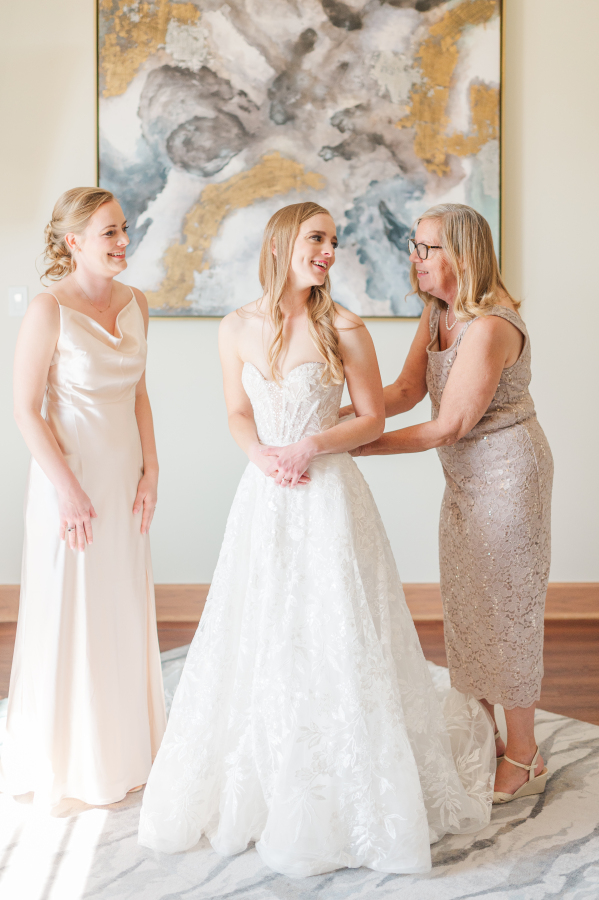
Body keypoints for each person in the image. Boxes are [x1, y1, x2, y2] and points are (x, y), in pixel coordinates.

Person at [138, 201, 495, 877]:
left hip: (327, 493)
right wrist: (261, 456)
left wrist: (308, 446)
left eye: (333, 239)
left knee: (337, 628)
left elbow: (370, 418)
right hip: (265, 494)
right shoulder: (235, 327)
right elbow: (236, 410)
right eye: (316, 238)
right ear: (280, 244)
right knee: (264, 626)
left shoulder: (346, 326)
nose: (329, 250)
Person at [344, 203, 553, 805]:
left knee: (508, 613)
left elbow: (449, 424)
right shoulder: (438, 310)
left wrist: (356, 445)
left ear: (462, 255)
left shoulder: (490, 326)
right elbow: (407, 390)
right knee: (468, 605)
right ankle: (487, 737)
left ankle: (525, 755)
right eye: (414, 245)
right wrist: (337, 418)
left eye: (426, 247)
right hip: (465, 480)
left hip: (510, 478)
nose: (414, 257)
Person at [1, 187, 166, 807]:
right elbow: (25, 410)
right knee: (72, 611)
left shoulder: (137, 303)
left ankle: (126, 752)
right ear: (74, 242)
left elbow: (140, 393)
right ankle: (69, 762)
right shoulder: (48, 310)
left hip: (125, 481)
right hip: (67, 483)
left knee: (121, 604)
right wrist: (67, 491)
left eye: (124, 229)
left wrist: (152, 470)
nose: (124, 241)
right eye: (110, 232)